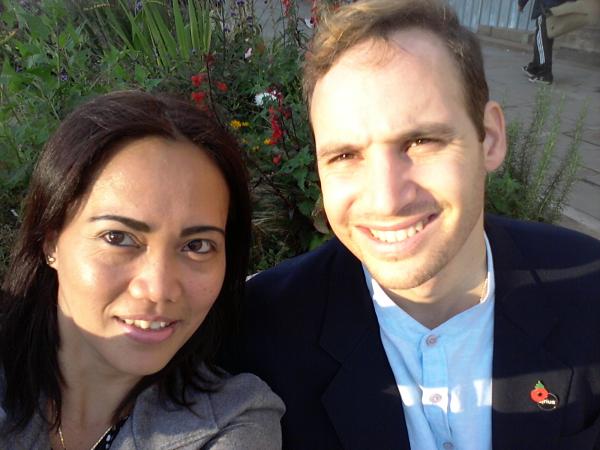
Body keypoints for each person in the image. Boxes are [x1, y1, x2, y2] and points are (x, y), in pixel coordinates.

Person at [226, 0, 600, 449]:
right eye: (345, 155)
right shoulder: (258, 337)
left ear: (490, 139)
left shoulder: (591, 295)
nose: (387, 199)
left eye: (420, 141)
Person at [0, 91, 284, 449]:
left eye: (197, 246)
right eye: (118, 237)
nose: (158, 288)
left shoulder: (234, 423)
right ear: (50, 240)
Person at [518, 0, 574, 84]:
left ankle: (545, 73)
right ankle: (536, 67)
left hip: (546, 6)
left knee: (542, 38)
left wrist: (521, 3)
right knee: (544, 38)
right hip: (555, 6)